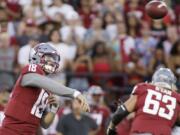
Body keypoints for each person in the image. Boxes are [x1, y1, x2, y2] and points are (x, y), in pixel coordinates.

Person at [0, 43, 90, 135]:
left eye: (53, 59)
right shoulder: (31, 70)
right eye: (49, 57)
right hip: (12, 130)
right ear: (37, 56)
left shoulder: (46, 88)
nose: (52, 61)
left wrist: (54, 109)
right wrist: (74, 93)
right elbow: (43, 81)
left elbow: (44, 124)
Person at [107, 68, 180, 135]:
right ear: (172, 84)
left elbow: (121, 112)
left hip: (141, 131)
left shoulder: (144, 88)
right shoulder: (177, 97)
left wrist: (111, 127)